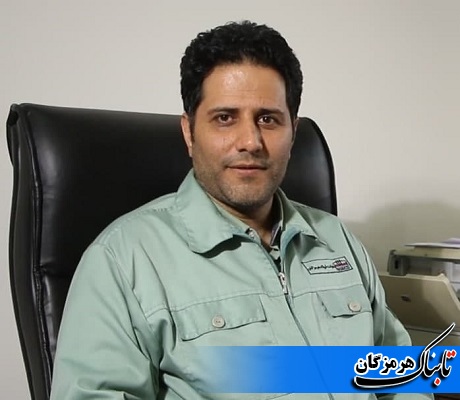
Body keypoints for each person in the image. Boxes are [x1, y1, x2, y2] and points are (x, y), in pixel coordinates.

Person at [50, 21, 432, 399]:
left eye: (268, 119)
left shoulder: (338, 239)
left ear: (293, 132)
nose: (250, 141)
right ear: (189, 132)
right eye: (225, 118)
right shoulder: (123, 259)